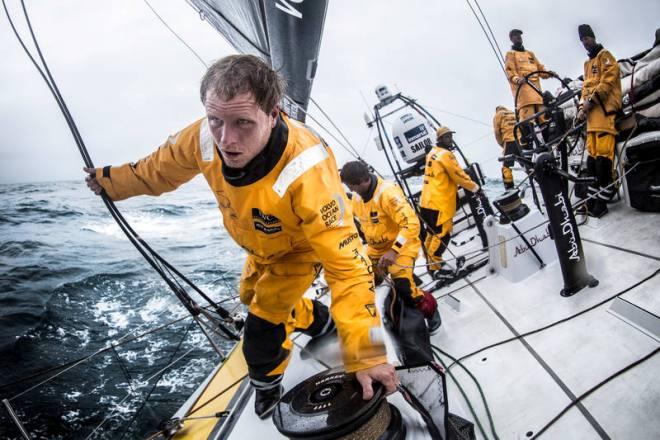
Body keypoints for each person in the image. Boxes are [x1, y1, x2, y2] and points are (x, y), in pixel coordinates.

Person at [84, 54, 396, 419]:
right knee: (248, 294)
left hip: (299, 251)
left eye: (242, 122)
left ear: (273, 114)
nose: (225, 138)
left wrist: (367, 356)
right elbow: (157, 171)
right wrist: (108, 181)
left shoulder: (309, 169)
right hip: (259, 248)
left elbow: (349, 269)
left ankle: (266, 387)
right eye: (215, 119)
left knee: (261, 325)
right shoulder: (203, 137)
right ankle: (320, 320)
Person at [340, 161, 441, 346]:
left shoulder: (387, 194)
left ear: (363, 180)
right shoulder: (355, 196)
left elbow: (411, 224)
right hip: (376, 249)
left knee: (403, 284)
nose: (351, 190)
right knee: (363, 279)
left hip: (401, 245)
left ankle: (431, 309)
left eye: (352, 186)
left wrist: (394, 251)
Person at [419, 127, 480, 277]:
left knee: (431, 233)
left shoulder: (432, 153)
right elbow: (459, 176)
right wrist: (476, 188)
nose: (450, 140)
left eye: (450, 136)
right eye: (446, 138)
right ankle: (436, 267)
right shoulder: (446, 155)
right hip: (438, 203)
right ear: (439, 140)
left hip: (425, 202)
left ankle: (429, 261)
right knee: (443, 234)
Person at [576, 24, 622, 218]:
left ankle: (602, 203)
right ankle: (593, 200)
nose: (585, 42)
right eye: (582, 40)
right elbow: (584, 90)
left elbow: (607, 82)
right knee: (593, 162)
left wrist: (590, 101)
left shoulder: (606, 56)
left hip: (605, 116)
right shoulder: (587, 65)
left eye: (587, 38)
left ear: (593, 37)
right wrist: (581, 108)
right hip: (591, 121)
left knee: (604, 161)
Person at [505, 29, 555, 122]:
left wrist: (549, 74)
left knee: (544, 121)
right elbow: (510, 72)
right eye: (516, 35)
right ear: (511, 39)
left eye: (519, 35)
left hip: (538, 96)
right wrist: (517, 79)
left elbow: (540, 70)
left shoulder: (530, 54)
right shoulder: (510, 54)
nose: (519, 37)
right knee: (528, 123)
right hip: (524, 98)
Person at [493, 105, 520, 189]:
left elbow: (497, 133)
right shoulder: (513, 113)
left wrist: (502, 144)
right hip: (521, 140)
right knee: (527, 163)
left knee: (506, 167)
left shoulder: (497, 115)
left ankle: (510, 189)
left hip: (509, 142)